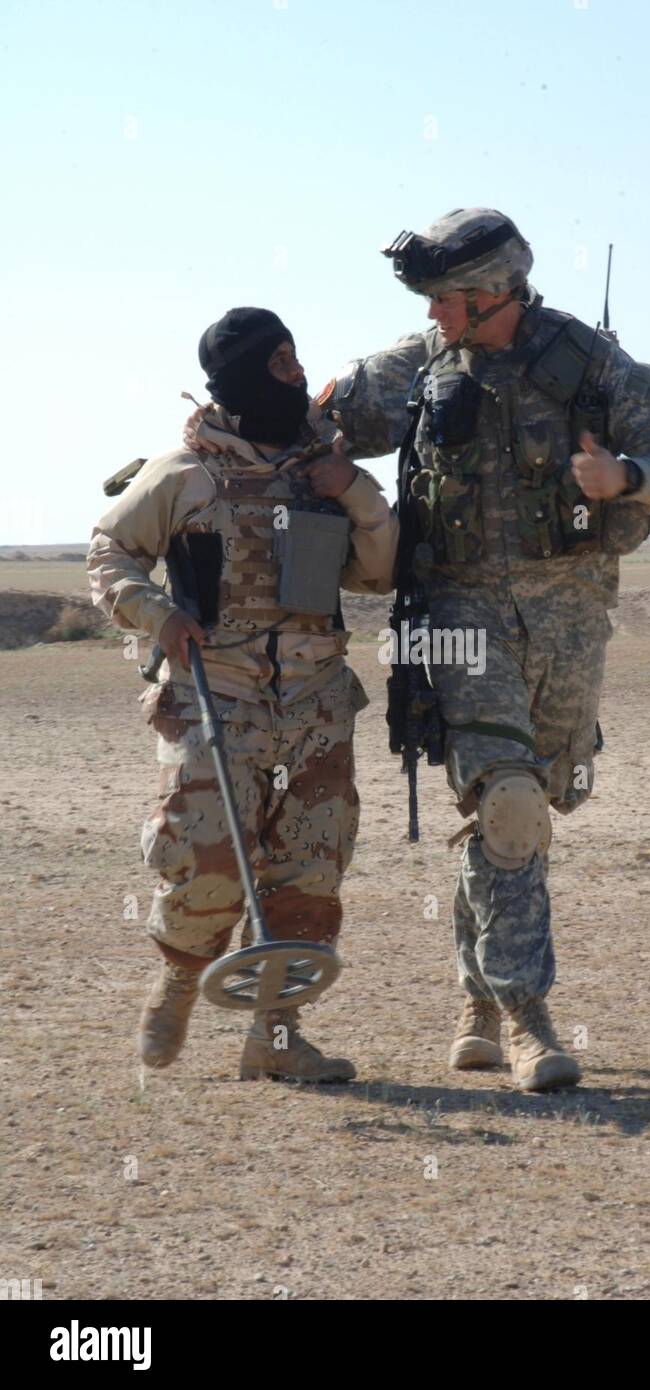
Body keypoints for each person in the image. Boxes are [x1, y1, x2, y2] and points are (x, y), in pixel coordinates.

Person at [316, 209, 650, 1091]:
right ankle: (529, 1018)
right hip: (457, 614)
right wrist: (215, 438)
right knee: (508, 802)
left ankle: (475, 1001)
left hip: (570, 620)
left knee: (527, 812)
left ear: (494, 293)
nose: (435, 317)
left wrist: (625, 479)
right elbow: (308, 424)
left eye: (447, 300)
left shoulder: (591, 366)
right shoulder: (417, 365)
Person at [88, 307, 398, 1082]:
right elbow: (111, 550)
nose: (295, 375)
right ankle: (181, 981)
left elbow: (380, 572)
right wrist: (158, 616)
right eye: (281, 363)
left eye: (297, 361)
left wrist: (355, 489)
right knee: (206, 860)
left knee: (310, 869)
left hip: (316, 699)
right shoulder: (185, 472)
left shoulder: (325, 467)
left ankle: (277, 1036)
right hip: (213, 692)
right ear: (246, 376)